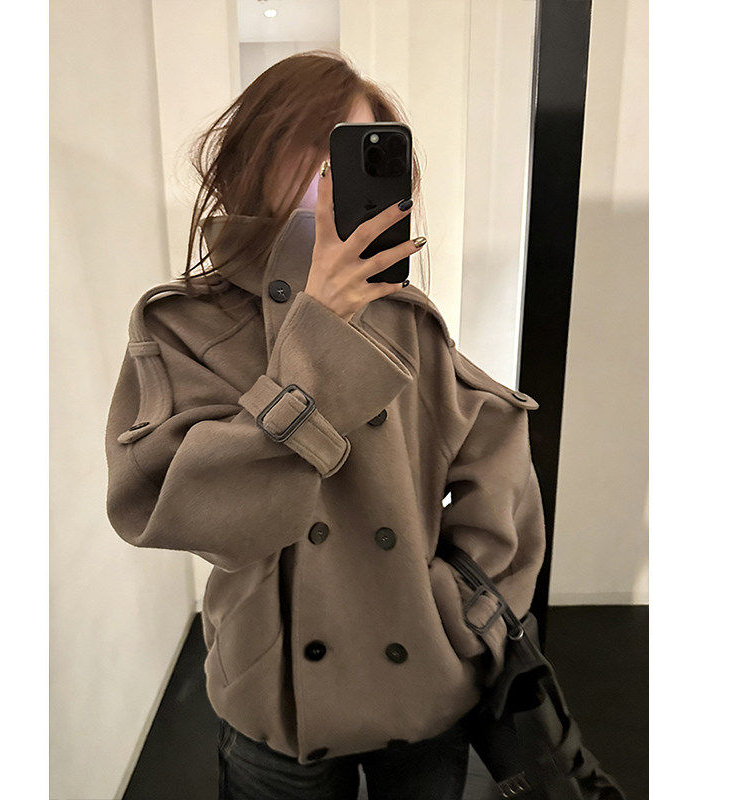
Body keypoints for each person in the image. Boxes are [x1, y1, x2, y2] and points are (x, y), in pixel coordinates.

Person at [104, 50, 546, 800]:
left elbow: (497, 459)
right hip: (274, 696)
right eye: (314, 147)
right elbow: (187, 513)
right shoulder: (183, 327)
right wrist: (321, 328)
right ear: (251, 156)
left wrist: (464, 615)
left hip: (422, 678)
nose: (330, 177)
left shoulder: (404, 320)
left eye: (357, 155)